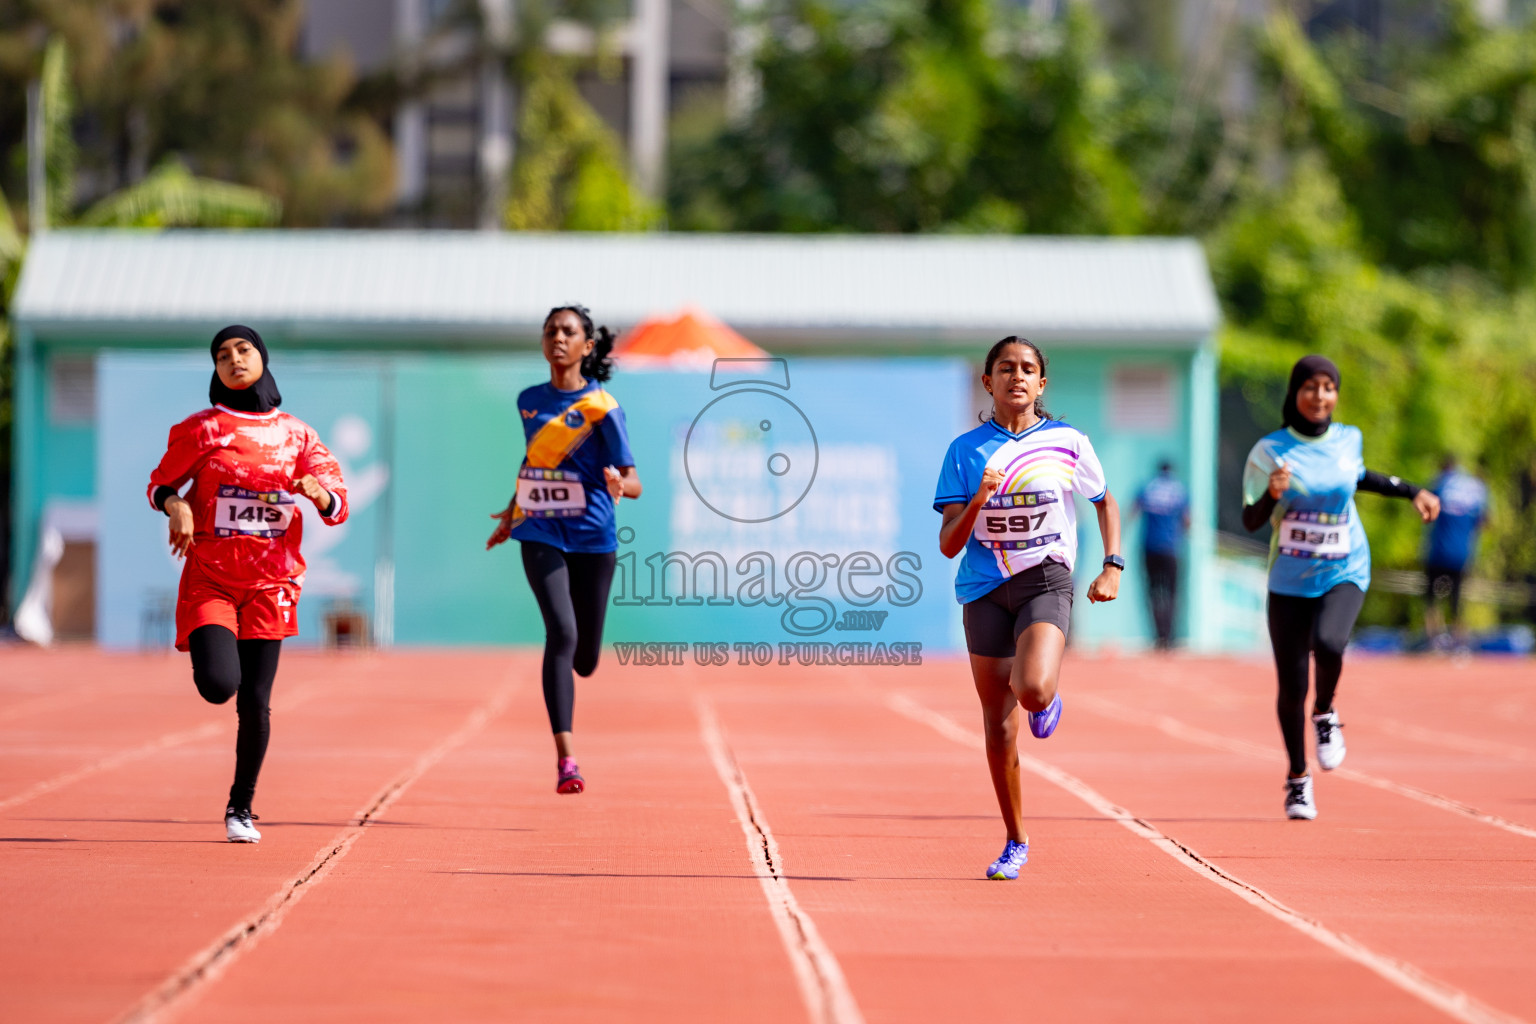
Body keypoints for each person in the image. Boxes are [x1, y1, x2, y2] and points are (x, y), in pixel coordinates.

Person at [147, 326, 348, 843]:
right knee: (219, 685)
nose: (233, 360)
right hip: (212, 578)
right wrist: (177, 506)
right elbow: (160, 483)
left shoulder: (297, 435)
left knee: (255, 700)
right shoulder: (203, 428)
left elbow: (338, 505)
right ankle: (215, 668)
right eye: (221, 355)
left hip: (271, 583)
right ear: (214, 370)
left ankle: (241, 807)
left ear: (262, 359)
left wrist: (318, 492)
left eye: (243, 350)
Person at [934, 336, 1122, 880]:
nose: (1017, 377)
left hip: (1045, 578)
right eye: (1005, 368)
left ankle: (1045, 699)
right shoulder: (965, 452)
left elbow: (1104, 501)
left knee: (1033, 688)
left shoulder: (1067, 442)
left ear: (1042, 384)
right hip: (984, 590)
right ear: (987, 382)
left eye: (1028, 369)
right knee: (998, 728)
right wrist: (977, 501)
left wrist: (1112, 564)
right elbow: (948, 543)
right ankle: (1015, 840)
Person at [1241, 355, 1438, 821]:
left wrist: (1414, 492)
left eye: (1328, 387)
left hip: (1345, 567)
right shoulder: (1269, 450)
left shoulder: (1349, 439)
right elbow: (1250, 520)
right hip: (1289, 579)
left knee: (1329, 643)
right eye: (1310, 386)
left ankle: (1325, 713)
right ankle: (1297, 780)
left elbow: (1360, 477)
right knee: (1292, 687)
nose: (1320, 396)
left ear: (1336, 395)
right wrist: (1272, 493)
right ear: (1295, 394)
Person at [487, 305, 641, 795]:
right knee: (561, 631)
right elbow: (536, 460)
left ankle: (582, 664)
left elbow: (634, 482)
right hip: (540, 531)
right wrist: (513, 510)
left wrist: (619, 482)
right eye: (551, 331)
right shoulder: (529, 400)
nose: (558, 338)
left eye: (568, 332)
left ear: (587, 346)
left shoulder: (603, 408)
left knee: (586, 657)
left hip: (594, 536)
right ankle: (567, 759)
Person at [1423, 456, 1488, 648]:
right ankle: (1459, 642)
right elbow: (1484, 520)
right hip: (1463, 553)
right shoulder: (1476, 487)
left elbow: (1426, 511)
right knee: (1457, 600)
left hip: (1438, 551)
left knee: (1430, 598)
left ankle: (1434, 640)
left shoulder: (1440, 483)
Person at [1133, 460, 1190, 650]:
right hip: (1171, 549)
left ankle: (1158, 636)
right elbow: (1187, 521)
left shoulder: (1147, 487)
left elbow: (1132, 511)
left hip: (1149, 548)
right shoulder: (1179, 490)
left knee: (1153, 593)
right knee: (1172, 594)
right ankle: (1170, 637)